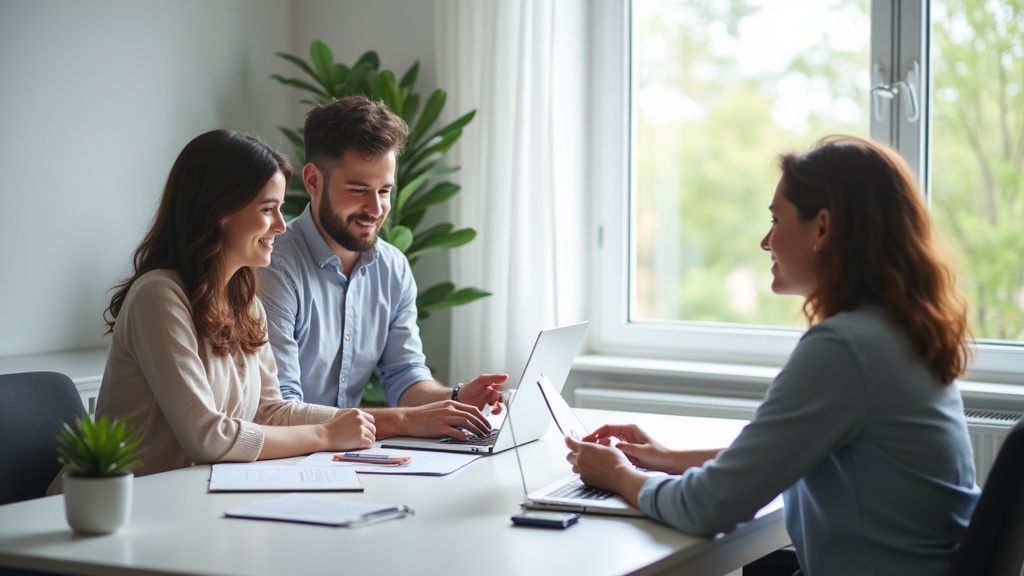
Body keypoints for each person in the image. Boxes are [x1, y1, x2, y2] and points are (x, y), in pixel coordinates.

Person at [566, 135, 981, 576]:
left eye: (776, 219)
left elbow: (707, 507)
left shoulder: (845, 349)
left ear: (822, 227)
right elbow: (780, 457)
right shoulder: (896, 331)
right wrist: (665, 458)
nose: (766, 241)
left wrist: (618, 475)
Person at [49, 130, 376, 490]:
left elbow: (269, 411)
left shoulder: (246, 303)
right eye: (268, 209)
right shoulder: (158, 296)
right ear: (219, 210)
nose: (281, 226)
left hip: (189, 500)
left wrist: (361, 422)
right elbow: (208, 438)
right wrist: (326, 435)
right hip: (115, 510)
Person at [261, 95, 506, 440]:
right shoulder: (272, 267)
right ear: (314, 181)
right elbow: (279, 409)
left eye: (385, 190)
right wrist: (403, 421)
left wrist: (455, 399)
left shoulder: (392, 267)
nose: (375, 208)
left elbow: (404, 376)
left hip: (349, 457)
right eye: (359, 190)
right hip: (284, 460)